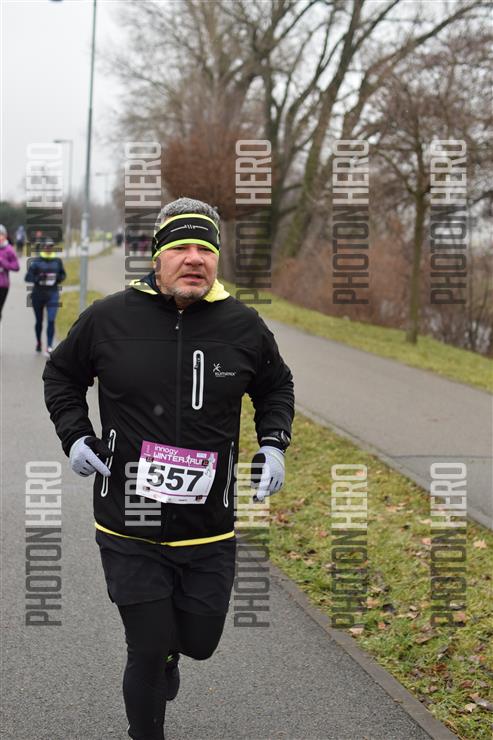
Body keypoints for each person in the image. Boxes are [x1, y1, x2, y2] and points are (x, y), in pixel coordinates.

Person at [42, 197, 294, 740]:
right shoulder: (109, 318)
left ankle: (171, 656)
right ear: (157, 256)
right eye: (181, 247)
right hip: (129, 519)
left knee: (199, 642)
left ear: (217, 258)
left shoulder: (243, 325)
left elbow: (276, 387)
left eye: (206, 248)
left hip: (208, 526)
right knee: (147, 645)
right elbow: (61, 375)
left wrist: (274, 444)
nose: (194, 258)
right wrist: (75, 435)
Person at [25, 239, 66, 356]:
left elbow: (63, 275)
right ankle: (38, 342)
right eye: (47, 247)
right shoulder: (36, 262)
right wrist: (38, 278)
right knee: (39, 321)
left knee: (51, 320)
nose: (49, 249)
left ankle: (49, 347)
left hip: (52, 294)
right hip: (38, 294)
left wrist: (58, 278)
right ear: (43, 248)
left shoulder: (57, 261)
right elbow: (27, 278)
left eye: (51, 247)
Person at [0, 224, 20, 320]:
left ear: (5, 236)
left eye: (1, 234)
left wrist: (2, 262)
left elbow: (16, 267)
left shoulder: (9, 249)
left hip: (3, 285)